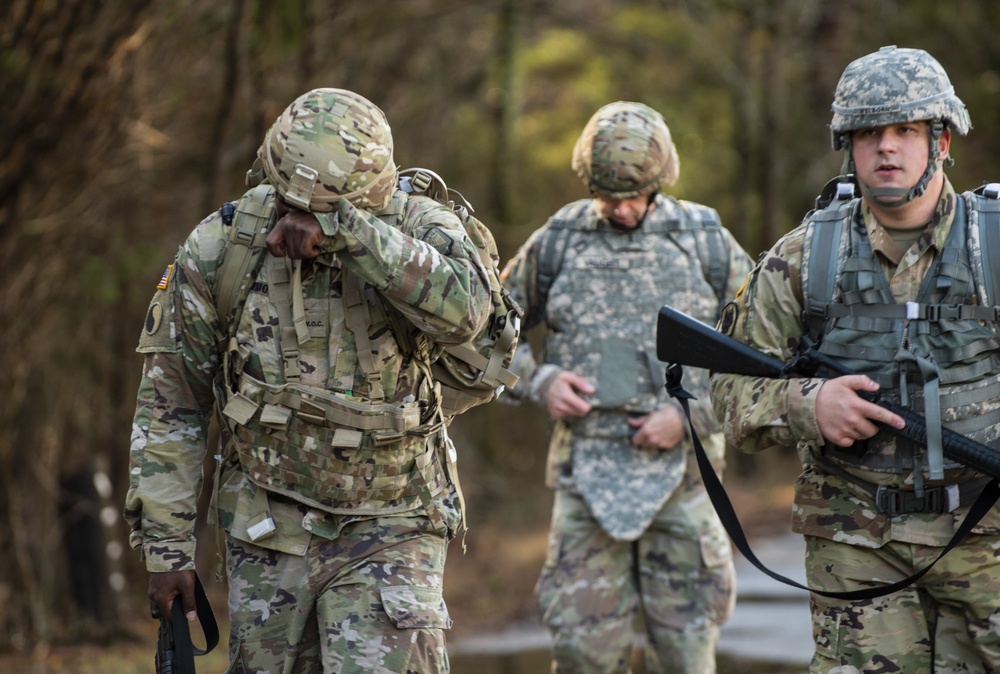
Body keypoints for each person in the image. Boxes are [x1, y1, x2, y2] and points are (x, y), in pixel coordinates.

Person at [124, 87, 493, 673]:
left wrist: (351, 234)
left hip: (393, 519)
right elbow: (174, 401)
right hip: (268, 526)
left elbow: (469, 313)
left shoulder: (421, 227)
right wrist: (167, 547)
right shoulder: (223, 246)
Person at [710, 45, 1000, 673]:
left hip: (988, 538)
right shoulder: (805, 257)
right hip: (857, 543)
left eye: (905, 131)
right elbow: (729, 391)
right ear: (849, 145)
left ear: (941, 141)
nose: (887, 148)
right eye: (869, 133)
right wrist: (808, 405)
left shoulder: (995, 247)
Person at [501, 101, 752, 673]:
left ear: (661, 181)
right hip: (583, 472)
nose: (619, 209)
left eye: (633, 196)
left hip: (688, 479)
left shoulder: (705, 240)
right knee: (583, 650)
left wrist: (695, 416)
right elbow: (484, 332)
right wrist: (539, 380)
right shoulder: (559, 240)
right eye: (606, 195)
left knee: (687, 651)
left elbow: (764, 349)